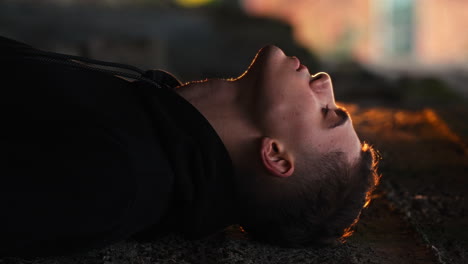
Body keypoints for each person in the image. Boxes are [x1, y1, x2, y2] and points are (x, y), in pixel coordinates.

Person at [0, 36, 380, 257]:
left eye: (327, 113)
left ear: (276, 156)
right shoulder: (150, 120)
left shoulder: (114, 181)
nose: (325, 83)